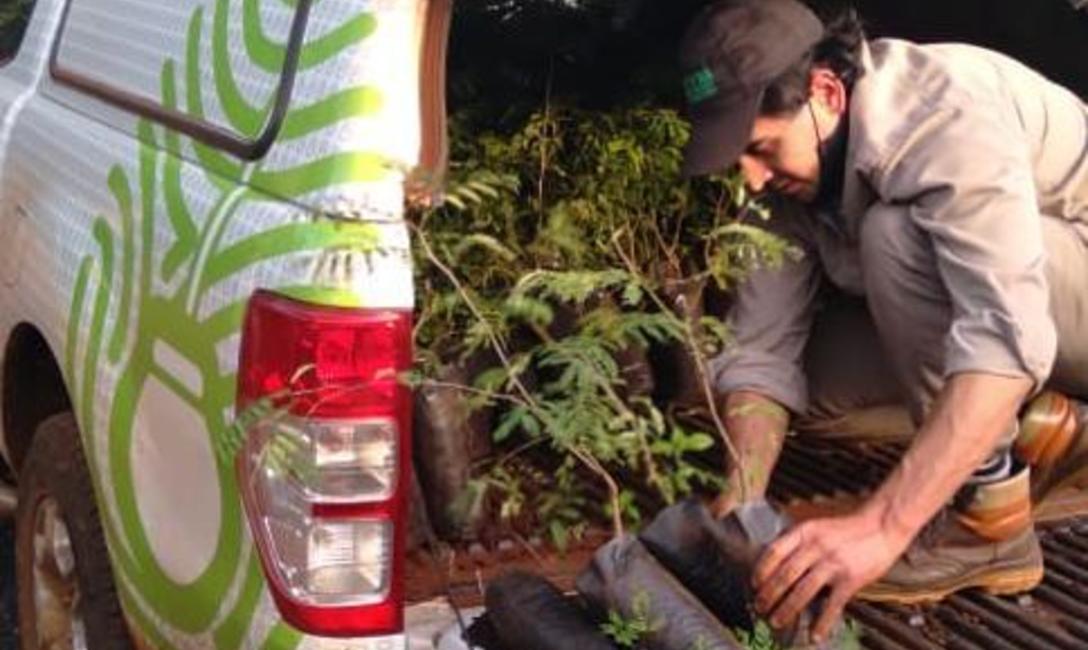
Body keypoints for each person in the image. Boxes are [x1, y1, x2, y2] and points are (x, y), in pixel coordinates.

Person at [677, 0, 1088, 642]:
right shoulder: (784, 176)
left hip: (1059, 291)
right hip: (1024, 316)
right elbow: (761, 350)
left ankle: (989, 516)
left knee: (895, 236)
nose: (751, 179)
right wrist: (742, 500)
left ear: (826, 92)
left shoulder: (942, 112)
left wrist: (883, 526)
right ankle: (1033, 425)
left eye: (761, 148)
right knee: (812, 387)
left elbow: (1007, 337)